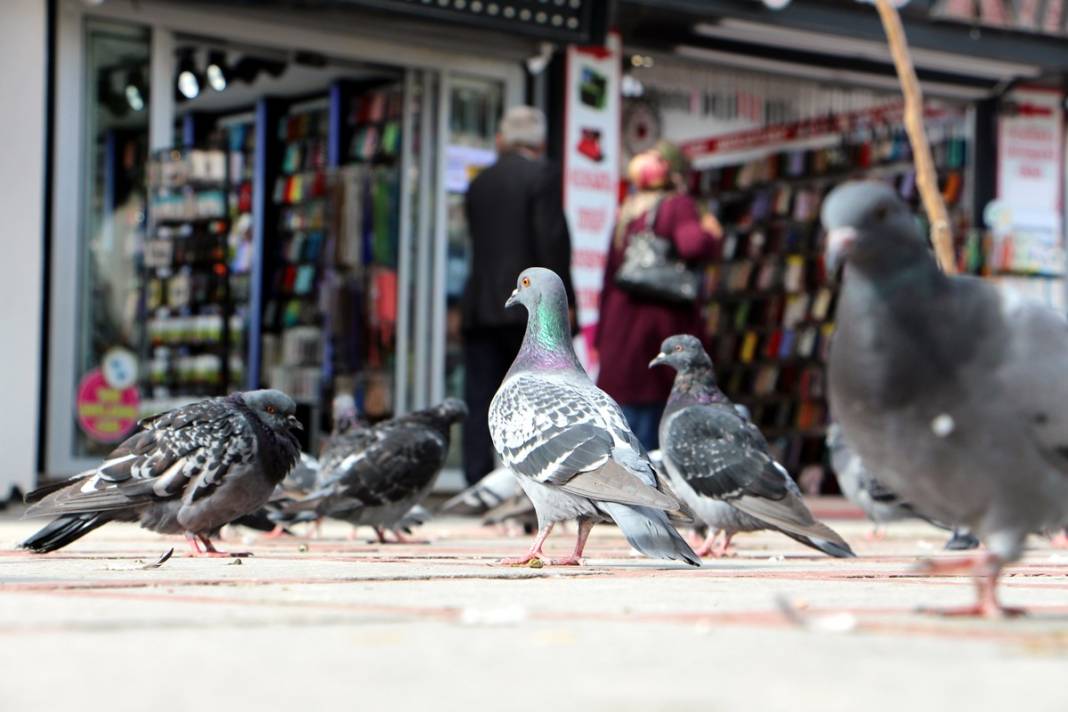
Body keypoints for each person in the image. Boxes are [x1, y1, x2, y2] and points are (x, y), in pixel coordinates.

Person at [462, 106, 575, 486]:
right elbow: (552, 241)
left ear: (502, 139)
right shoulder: (541, 174)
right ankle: (527, 481)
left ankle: (476, 480)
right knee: (533, 395)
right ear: (540, 142)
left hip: (479, 304)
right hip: (526, 308)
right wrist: (564, 300)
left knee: (481, 394)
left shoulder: (480, 183)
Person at [595, 140, 721, 451]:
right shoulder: (677, 205)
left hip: (619, 329)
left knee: (623, 426)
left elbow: (609, 276)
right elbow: (692, 246)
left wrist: (600, 336)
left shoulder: (628, 211)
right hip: (657, 328)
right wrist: (711, 234)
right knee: (658, 426)